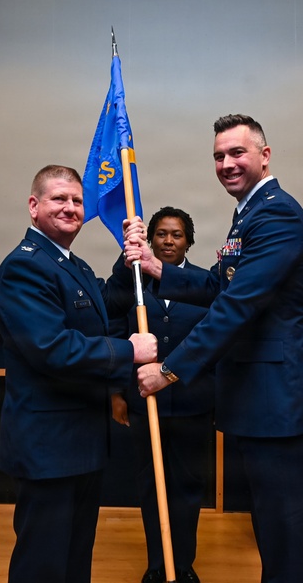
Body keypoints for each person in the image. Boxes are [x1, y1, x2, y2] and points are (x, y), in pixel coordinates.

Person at [127, 114, 303, 583]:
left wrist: (169, 370)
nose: (226, 163)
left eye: (237, 153)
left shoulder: (276, 214)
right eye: (218, 156)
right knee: (274, 527)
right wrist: (158, 269)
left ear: (265, 155)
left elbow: (236, 307)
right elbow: (221, 285)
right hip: (260, 398)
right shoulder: (250, 214)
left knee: (285, 531)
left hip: (278, 397)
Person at [0, 164, 157, 583]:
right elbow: (52, 348)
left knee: (75, 559)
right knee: (43, 563)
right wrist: (130, 351)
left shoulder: (73, 265)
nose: (70, 208)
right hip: (48, 445)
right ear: (34, 206)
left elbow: (100, 304)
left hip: (80, 441)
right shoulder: (24, 268)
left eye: (77, 201)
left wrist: (130, 257)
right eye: (59, 199)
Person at [110, 206, 213, 583]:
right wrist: (117, 392)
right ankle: (157, 565)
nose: (168, 241)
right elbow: (116, 332)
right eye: (161, 234)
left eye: (177, 235)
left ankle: (182, 566)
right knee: (151, 487)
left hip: (193, 404)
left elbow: (216, 345)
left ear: (189, 241)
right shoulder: (134, 282)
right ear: (150, 239)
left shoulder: (206, 284)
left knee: (187, 488)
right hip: (144, 403)